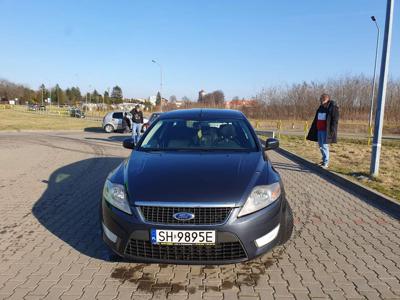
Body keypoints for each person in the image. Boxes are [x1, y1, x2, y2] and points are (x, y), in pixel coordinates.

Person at [306, 93, 339, 169]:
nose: (321, 100)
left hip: (325, 131)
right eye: (321, 99)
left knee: (324, 146)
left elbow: (335, 121)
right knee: (320, 146)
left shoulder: (333, 108)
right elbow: (316, 119)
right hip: (319, 130)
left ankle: (326, 162)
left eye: (322, 99)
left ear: (327, 99)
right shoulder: (320, 107)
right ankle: (323, 160)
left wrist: (332, 131)